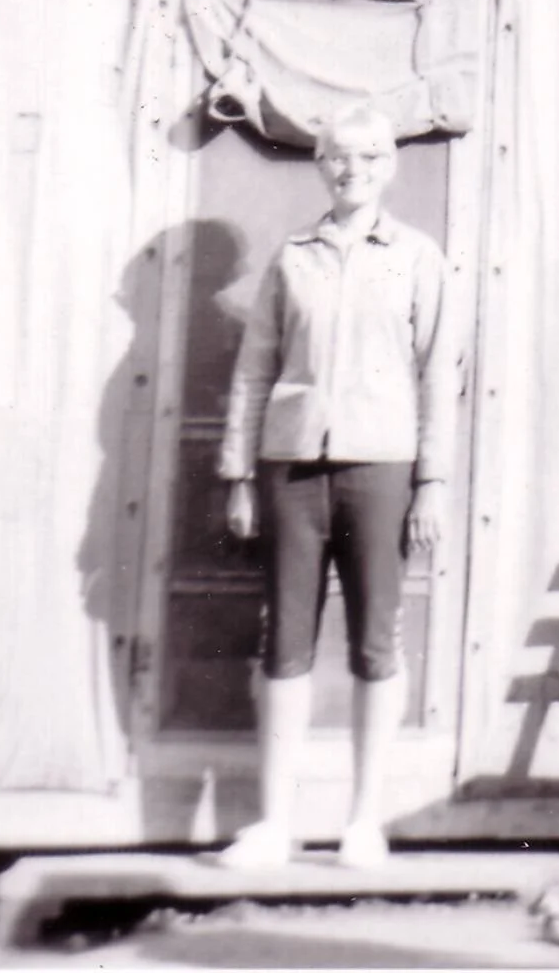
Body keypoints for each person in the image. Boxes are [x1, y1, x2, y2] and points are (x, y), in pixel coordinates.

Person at [215, 101, 457, 869]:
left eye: (369, 156)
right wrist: (238, 474)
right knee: (283, 640)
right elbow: (254, 370)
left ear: (390, 166)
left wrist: (432, 481)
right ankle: (273, 823)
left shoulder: (417, 257)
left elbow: (438, 375)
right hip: (290, 469)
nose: (353, 169)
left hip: (380, 472)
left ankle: (363, 821)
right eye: (338, 157)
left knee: (376, 641)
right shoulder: (293, 258)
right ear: (320, 166)